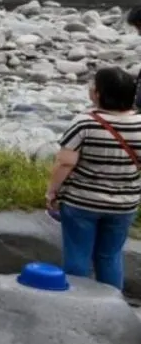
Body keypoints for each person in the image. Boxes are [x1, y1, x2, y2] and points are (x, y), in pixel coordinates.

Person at [47, 64, 141, 290]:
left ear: (99, 94)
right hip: (124, 205)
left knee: (78, 256)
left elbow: (66, 162)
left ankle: (78, 306)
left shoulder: (85, 122)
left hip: (82, 202)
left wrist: (52, 191)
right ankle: (112, 306)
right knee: (110, 256)